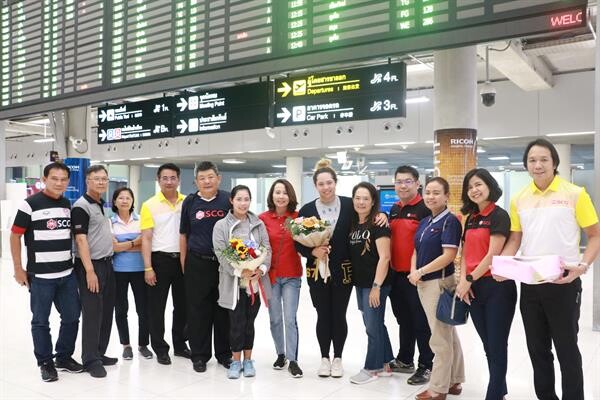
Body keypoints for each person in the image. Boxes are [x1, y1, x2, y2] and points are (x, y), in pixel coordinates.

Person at [501, 138, 600, 400]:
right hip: (531, 283)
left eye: (544, 159)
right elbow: (515, 238)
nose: (538, 165)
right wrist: (502, 264)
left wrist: (582, 266)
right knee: (537, 349)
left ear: (554, 162)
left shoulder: (575, 193)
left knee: (567, 348)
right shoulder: (519, 199)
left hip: (564, 281)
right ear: (526, 165)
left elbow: (595, 235)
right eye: (532, 160)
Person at [296, 159, 387, 378]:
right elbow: (297, 242)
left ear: (335, 183)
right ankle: (324, 358)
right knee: (322, 314)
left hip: (344, 271)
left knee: (339, 315)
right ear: (315, 185)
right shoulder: (307, 210)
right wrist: (311, 252)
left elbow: (369, 215)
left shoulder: (349, 205)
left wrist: (382, 214)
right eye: (321, 184)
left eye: (329, 183)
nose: (326, 187)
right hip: (316, 272)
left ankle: (338, 358)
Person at [10, 162, 83, 382]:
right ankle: (45, 362)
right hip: (40, 277)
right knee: (40, 321)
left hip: (66, 273)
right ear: (45, 178)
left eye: (63, 179)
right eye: (54, 178)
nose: (59, 183)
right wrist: (18, 269)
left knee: (72, 317)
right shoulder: (29, 204)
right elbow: (15, 236)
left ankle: (63, 357)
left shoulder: (67, 204)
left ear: (68, 181)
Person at [455, 169, 516, 400]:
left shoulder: (499, 215)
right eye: (470, 187)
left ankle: (493, 394)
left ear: (490, 186)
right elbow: (465, 252)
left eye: (478, 184)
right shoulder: (469, 218)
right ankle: (500, 390)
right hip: (474, 288)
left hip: (497, 287)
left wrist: (470, 278)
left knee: (498, 344)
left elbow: (493, 254)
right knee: (488, 344)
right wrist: (464, 281)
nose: (474, 190)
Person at [408, 177, 465, 400]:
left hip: (439, 283)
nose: (431, 196)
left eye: (436, 192)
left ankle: (438, 388)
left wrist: (420, 272)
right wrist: (414, 271)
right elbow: (415, 250)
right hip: (423, 281)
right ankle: (455, 380)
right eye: (428, 192)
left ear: (446, 196)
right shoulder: (425, 222)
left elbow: (449, 255)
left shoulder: (450, 221)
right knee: (448, 333)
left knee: (439, 338)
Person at [213, 185, 272, 379]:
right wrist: (241, 271)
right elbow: (221, 255)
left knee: (249, 323)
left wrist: (260, 269)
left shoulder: (258, 224)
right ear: (231, 201)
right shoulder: (221, 226)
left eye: (246, 199)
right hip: (234, 284)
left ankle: (248, 361)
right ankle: (235, 361)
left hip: (254, 283)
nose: (243, 203)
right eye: (239, 199)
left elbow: (266, 249)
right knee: (236, 323)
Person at [179, 162, 232, 373]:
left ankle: (224, 354)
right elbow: (183, 234)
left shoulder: (228, 200)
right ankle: (199, 355)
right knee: (197, 311)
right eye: (202, 178)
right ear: (196, 181)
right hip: (196, 263)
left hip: (223, 264)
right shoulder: (190, 202)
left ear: (218, 178)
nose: (207, 181)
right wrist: (184, 263)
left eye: (210, 177)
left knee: (223, 310)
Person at [140, 163, 190, 365]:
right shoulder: (149, 205)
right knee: (156, 308)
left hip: (184, 260)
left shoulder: (188, 202)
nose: (169, 182)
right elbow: (146, 238)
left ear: (178, 179)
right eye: (165, 178)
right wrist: (148, 267)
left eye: (173, 178)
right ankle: (160, 348)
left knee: (183, 307)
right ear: (158, 180)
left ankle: (180, 345)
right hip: (159, 261)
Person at [388, 165, 434, 385]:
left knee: (420, 322)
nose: (402, 185)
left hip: (417, 276)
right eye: (399, 181)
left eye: (408, 181)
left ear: (417, 183)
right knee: (403, 319)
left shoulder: (425, 208)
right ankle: (405, 359)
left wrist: (421, 271)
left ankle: (427, 364)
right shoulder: (394, 208)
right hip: (396, 275)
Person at [72, 164, 117, 378]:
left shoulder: (100, 204)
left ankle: (99, 352)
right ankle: (90, 360)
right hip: (92, 266)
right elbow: (80, 240)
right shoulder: (81, 206)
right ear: (87, 181)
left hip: (108, 264)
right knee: (92, 313)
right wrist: (90, 271)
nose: (101, 182)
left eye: (104, 179)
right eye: (96, 179)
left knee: (106, 310)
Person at [348, 182, 394, 385]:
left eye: (366, 198)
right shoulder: (354, 223)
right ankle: (385, 363)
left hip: (376, 283)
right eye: (358, 197)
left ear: (373, 201)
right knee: (374, 322)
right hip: (361, 282)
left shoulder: (379, 224)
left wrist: (376, 287)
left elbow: (385, 257)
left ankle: (372, 367)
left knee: (372, 326)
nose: (361, 202)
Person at [259, 179, 304, 378]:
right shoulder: (262, 218)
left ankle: (293, 360)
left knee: (289, 318)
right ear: (272, 195)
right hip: (270, 277)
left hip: (292, 276)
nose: (281, 196)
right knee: (275, 319)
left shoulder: (297, 217)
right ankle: (281, 354)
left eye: (285, 192)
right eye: (277, 192)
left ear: (290, 196)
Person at [110, 187, 153, 361]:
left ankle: (143, 344)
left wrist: (123, 245)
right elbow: (113, 248)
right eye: (121, 198)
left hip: (140, 270)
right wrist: (135, 242)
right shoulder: (110, 223)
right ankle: (126, 345)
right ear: (114, 201)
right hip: (118, 271)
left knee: (144, 310)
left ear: (132, 201)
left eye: (128, 198)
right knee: (121, 310)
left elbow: (146, 244)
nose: (125, 201)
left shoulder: (141, 220)